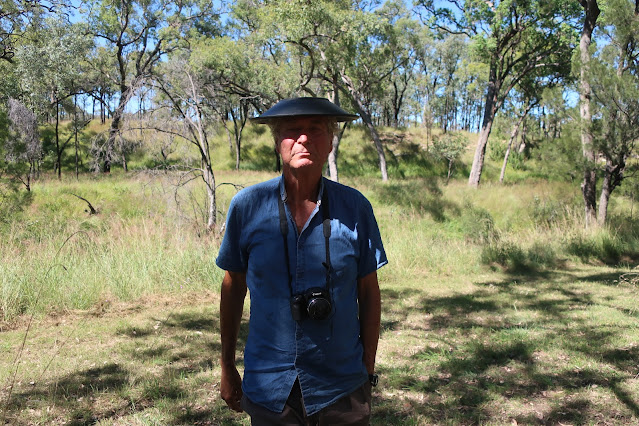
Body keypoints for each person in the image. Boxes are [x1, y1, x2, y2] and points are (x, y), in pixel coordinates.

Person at [217, 97, 387, 425]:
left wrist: (367, 367)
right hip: (270, 387)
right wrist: (226, 365)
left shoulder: (355, 209)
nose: (304, 138)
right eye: (293, 130)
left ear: (331, 142)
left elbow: (368, 291)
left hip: (341, 386)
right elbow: (233, 285)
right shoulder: (246, 207)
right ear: (277, 142)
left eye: (316, 130)